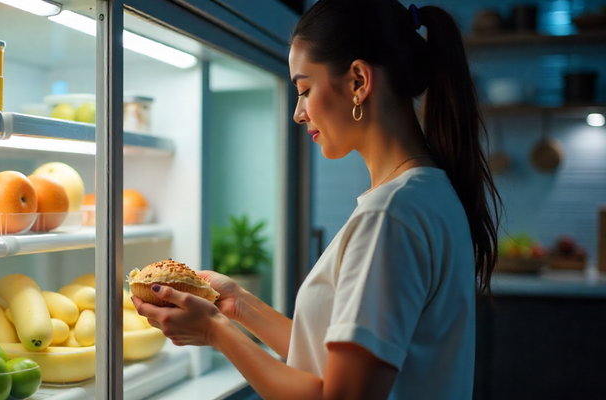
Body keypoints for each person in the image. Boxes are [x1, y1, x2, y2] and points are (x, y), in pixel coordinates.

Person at [132, 1, 502, 399]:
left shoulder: (390, 216)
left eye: (305, 89)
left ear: (359, 81)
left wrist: (214, 332)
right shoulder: (425, 192)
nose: (298, 112)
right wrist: (236, 305)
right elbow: (336, 364)